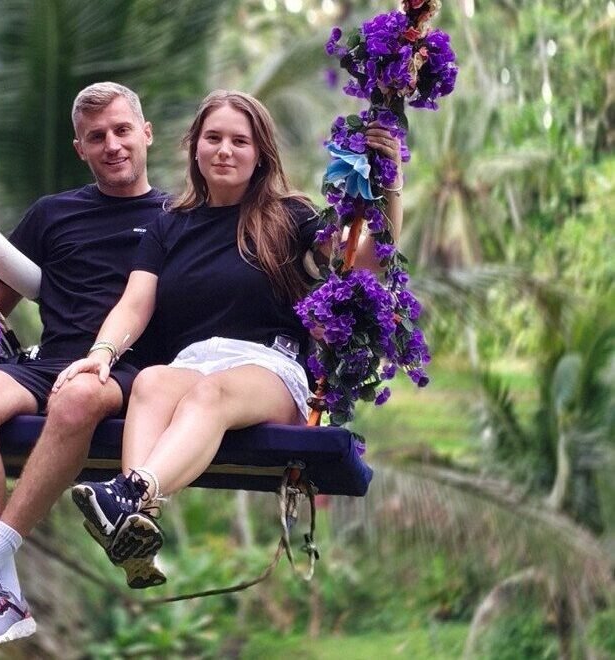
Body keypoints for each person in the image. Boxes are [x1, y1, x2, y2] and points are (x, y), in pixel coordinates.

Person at [54, 90, 404, 565]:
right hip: (195, 363)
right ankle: (137, 527)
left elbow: (365, 262)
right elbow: (135, 303)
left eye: (240, 141)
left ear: (260, 154)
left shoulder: (291, 216)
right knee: (153, 381)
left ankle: (130, 494)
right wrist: (102, 354)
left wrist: (391, 185)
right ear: (194, 146)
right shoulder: (169, 225)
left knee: (208, 396)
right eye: (213, 138)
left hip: (268, 367)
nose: (224, 150)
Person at [0, 82, 170, 654]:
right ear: (80, 147)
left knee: (76, 394)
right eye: (97, 137)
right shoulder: (53, 214)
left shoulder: (176, 217)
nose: (113, 145)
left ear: (146, 133)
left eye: (123, 131)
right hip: (51, 361)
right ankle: (3, 595)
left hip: (136, 372)